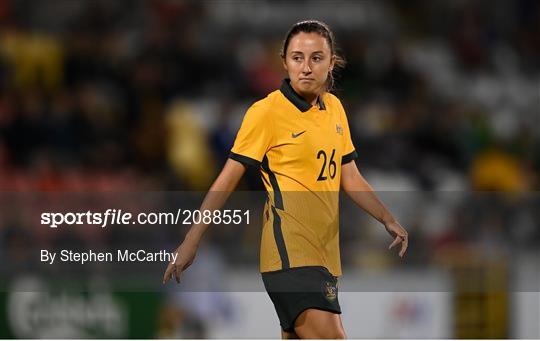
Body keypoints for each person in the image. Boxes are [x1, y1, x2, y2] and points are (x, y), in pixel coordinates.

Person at [163, 20, 408, 339]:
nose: (306, 67)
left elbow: (349, 176)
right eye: (297, 57)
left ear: (331, 62)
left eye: (316, 58)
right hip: (289, 255)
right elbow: (227, 178)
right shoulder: (266, 112)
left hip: (325, 258)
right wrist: (192, 240)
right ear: (285, 61)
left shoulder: (334, 109)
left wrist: (387, 217)